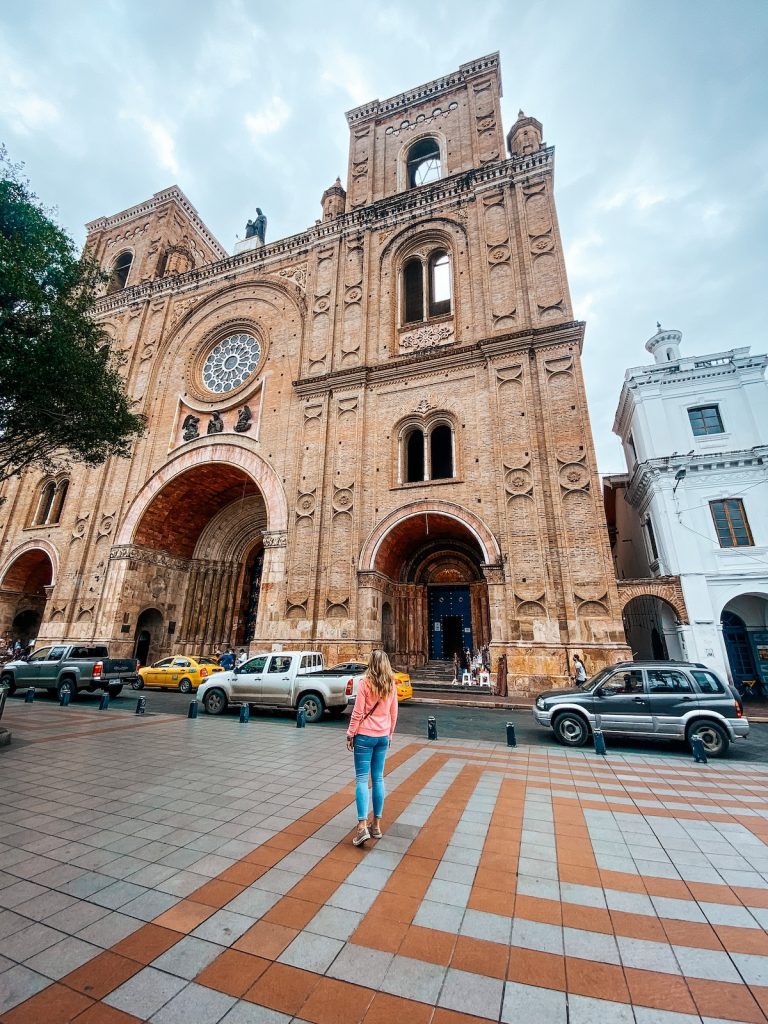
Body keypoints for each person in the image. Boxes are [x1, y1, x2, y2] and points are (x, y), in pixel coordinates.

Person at [346, 649, 398, 847]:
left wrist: (351, 733)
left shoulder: (365, 683)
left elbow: (357, 713)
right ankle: (376, 825)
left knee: (361, 779)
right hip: (383, 736)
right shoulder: (391, 684)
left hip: (364, 736)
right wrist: (389, 735)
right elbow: (394, 714)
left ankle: (362, 826)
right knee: (378, 778)